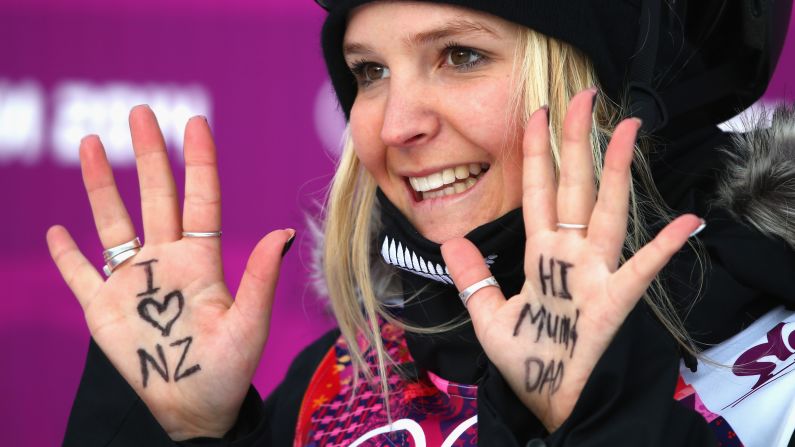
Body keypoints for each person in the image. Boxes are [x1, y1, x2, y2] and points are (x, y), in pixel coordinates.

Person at [48, 0, 795, 446]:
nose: (392, 124)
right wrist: (180, 430)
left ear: (611, 92)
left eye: (459, 55)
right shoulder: (343, 383)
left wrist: (596, 417)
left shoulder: (781, 358)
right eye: (368, 71)